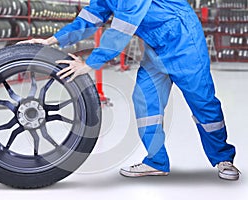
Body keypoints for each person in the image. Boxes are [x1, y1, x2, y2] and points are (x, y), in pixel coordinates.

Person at [19, 0, 240, 180]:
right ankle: (156, 162)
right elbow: (90, 17)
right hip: (156, 47)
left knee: (203, 103)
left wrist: (90, 63)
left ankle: (223, 158)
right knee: (145, 100)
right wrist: (51, 40)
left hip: (184, 44)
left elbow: (123, 28)